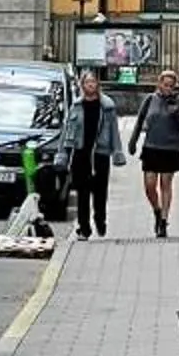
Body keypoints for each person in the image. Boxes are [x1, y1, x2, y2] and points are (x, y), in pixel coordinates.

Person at [136, 71, 179, 238]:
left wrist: (177, 114)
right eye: (165, 85)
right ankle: (157, 210)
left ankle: (164, 222)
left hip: (171, 148)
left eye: (171, 86)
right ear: (159, 84)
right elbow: (140, 120)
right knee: (149, 185)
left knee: (165, 184)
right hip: (151, 146)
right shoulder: (151, 100)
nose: (168, 88)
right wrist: (133, 142)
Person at [70, 69, 123, 238]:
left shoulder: (107, 107)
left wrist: (117, 151)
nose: (90, 85)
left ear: (98, 85)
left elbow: (114, 130)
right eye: (87, 82)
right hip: (81, 153)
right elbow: (68, 130)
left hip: (100, 154)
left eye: (93, 82)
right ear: (82, 85)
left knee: (100, 192)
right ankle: (83, 228)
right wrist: (63, 154)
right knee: (82, 193)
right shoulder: (76, 106)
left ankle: (100, 219)